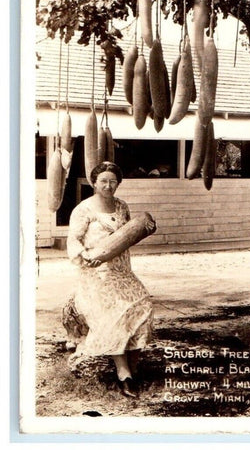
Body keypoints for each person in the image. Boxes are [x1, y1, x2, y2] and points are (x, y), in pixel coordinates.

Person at [66, 161, 153, 398]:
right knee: (114, 314)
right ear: (93, 183)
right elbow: (73, 239)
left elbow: (127, 235)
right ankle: (123, 374)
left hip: (122, 270)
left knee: (143, 307)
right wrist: (85, 256)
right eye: (103, 181)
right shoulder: (84, 210)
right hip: (96, 274)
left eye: (113, 181)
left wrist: (144, 228)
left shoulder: (122, 206)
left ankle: (134, 370)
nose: (108, 185)